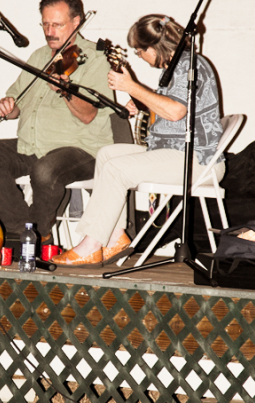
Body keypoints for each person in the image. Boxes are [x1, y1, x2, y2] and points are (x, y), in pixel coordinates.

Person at [52, 14, 224, 266]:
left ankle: (90, 245)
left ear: (154, 48)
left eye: (139, 51)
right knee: (108, 154)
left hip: (197, 160)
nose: (139, 56)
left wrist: (132, 87)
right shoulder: (178, 67)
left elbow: (177, 111)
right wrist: (145, 101)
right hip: (176, 152)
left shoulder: (189, 65)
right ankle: (114, 237)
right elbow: (174, 110)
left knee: (116, 168)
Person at [0, 0, 115, 241]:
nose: (49, 31)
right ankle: (23, 230)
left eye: (57, 24)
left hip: (80, 149)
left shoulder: (95, 58)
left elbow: (89, 115)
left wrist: (65, 91)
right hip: (33, 146)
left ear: (76, 22)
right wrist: (8, 107)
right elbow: (17, 104)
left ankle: (37, 232)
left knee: (45, 170)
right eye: (45, 24)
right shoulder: (39, 56)